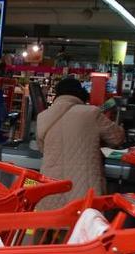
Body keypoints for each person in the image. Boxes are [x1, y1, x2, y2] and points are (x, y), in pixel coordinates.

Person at [35, 78, 125, 210]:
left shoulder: (43, 116)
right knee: (82, 226)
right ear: (79, 94)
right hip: (83, 190)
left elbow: (42, 149)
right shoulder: (91, 113)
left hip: (50, 188)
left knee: (51, 226)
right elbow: (117, 138)